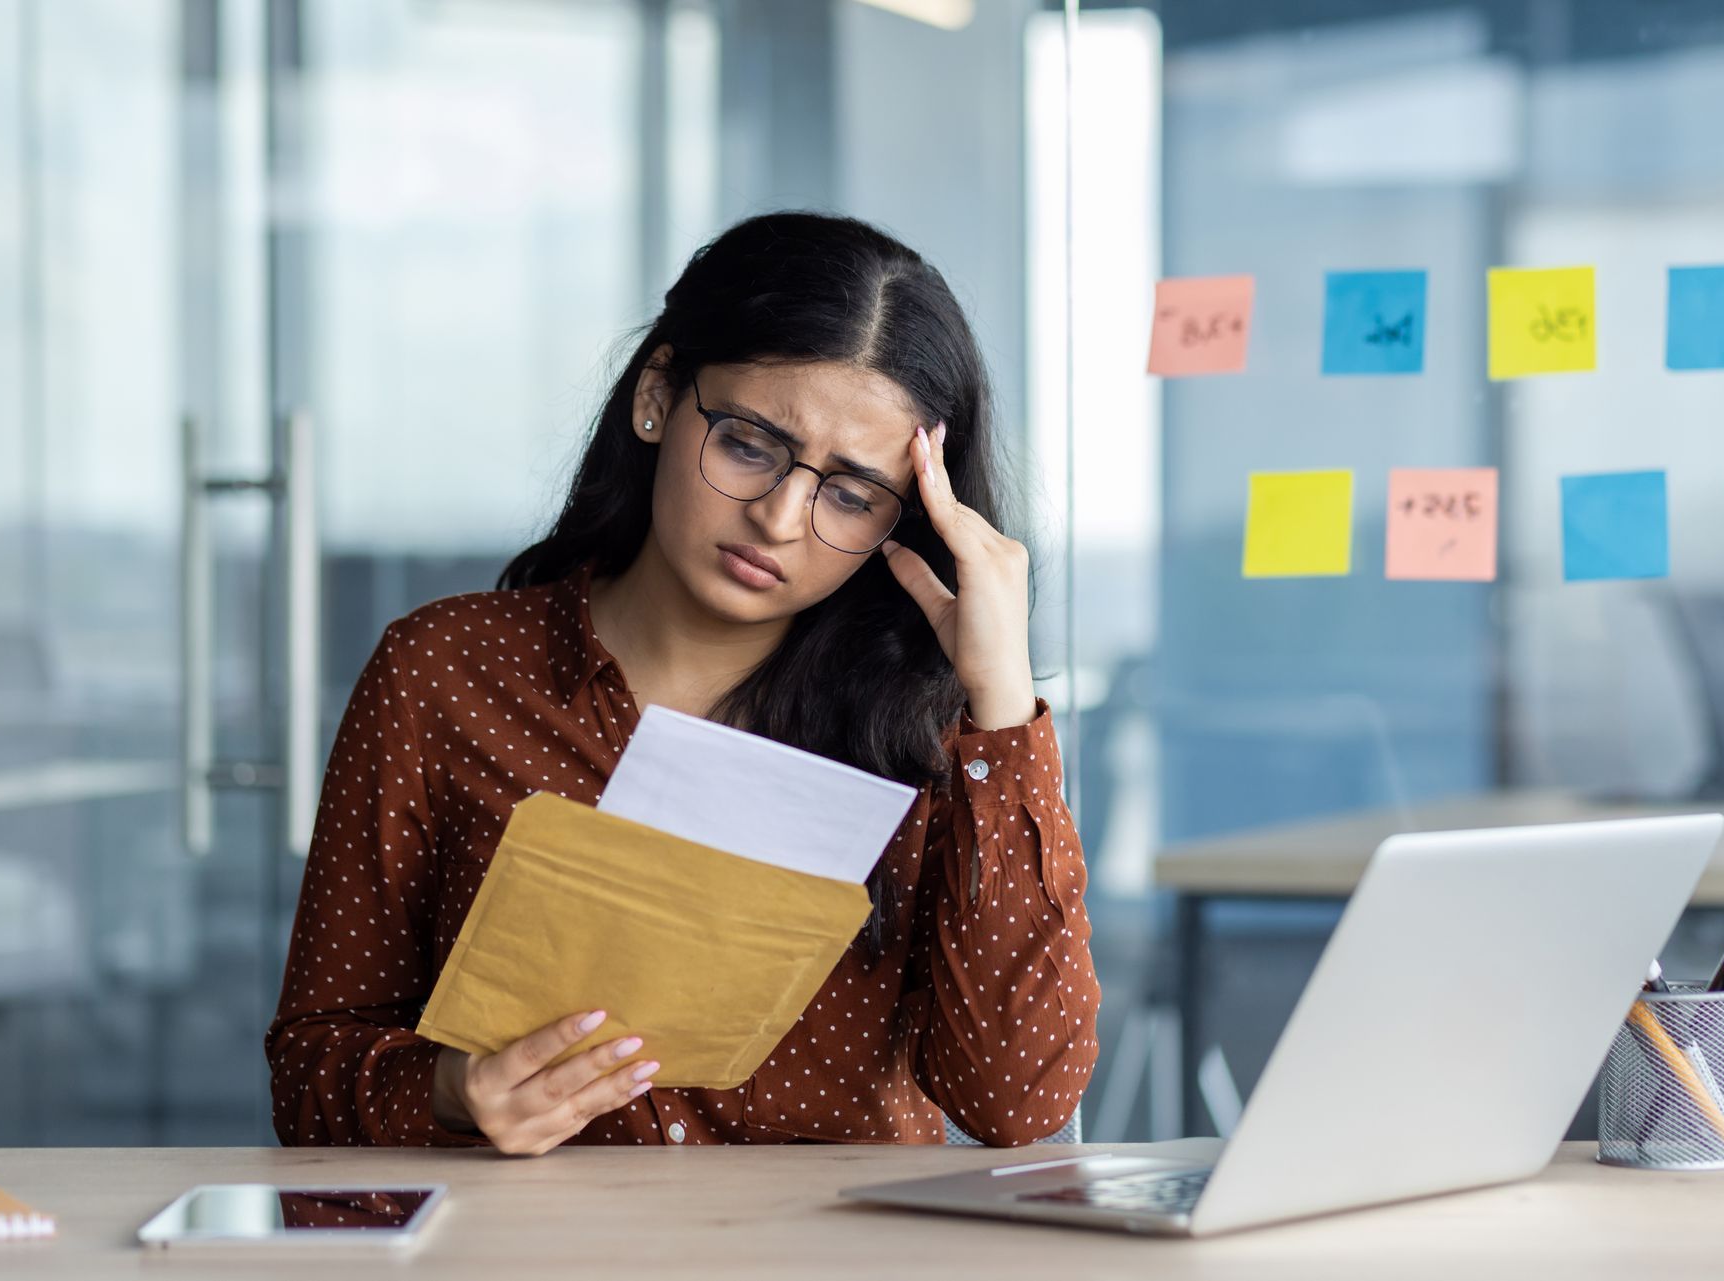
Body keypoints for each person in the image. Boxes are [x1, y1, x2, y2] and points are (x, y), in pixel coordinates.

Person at [265, 211, 1099, 1155]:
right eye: (748, 445)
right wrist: (453, 1091)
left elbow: (1015, 1103)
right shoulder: (445, 675)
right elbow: (308, 1075)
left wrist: (999, 701)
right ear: (659, 394)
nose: (781, 519)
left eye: (853, 496)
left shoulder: (935, 730)